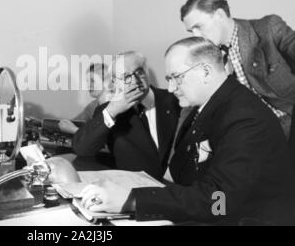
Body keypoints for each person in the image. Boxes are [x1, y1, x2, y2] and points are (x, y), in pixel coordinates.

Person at [80, 38, 295, 225]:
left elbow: (220, 202)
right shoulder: (207, 106)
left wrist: (133, 199)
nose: (172, 88)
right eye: (169, 79)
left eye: (176, 77)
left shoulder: (244, 117)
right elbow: (181, 172)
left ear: (205, 72)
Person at [180, 0, 295, 141]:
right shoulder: (207, 57)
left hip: (289, 122)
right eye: (191, 31)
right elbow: (191, 103)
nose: (196, 36)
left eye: (199, 27)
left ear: (220, 15)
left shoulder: (268, 28)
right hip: (251, 135)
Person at [72, 51, 181, 180]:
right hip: (138, 192)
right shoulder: (108, 111)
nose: (135, 81)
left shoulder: (176, 100)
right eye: (125, 77)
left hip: (181, 191)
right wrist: (111, 111)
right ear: (114, 82)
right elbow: (82, 149)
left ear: (147, 72)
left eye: (139, 72)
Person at [58, 63, 112, 135]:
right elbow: (72, 122)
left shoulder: (115, 106)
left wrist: (73, 130)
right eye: (87, 81)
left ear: (106, 81)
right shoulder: (93, 106)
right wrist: (40, 122)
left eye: (92, 80)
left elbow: (102, 138)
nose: (89, 85)